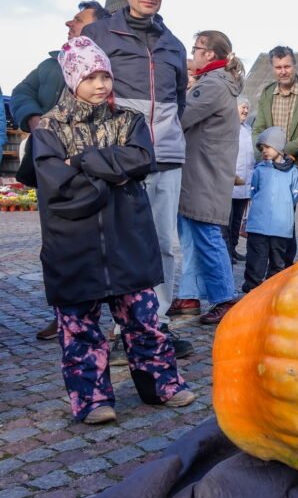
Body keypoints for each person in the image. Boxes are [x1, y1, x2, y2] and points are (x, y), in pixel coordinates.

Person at [32, 36, 196, 424]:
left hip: (127, 240)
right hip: (74, 246)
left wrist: (83, 161)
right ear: (73, 79)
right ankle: (92, 400)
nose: (100, 84)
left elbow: (141, 159)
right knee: (80, 329)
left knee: (145, 321)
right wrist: (113, 176)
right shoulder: (49, 129)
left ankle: (162, 385)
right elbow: (57, 184)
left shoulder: (128, 120)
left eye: (105, 75)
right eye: (90, 77)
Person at [82, 0, 189, 340]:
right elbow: (82, 88)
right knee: (121, 241)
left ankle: (156, 322)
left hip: (167, 157)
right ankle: (123, 321)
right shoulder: (99, 33)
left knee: (164, 243)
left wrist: (165, 131)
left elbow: (179, 100)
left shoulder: (173, 43)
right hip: (123, 155)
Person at [11, 0, 111, 342]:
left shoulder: (107, 65)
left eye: (78, 19)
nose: (69, 24)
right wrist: (34, 119)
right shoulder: (49, 64)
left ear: (96, 27)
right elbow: (21, 92)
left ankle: (112, 315)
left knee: (100, 243)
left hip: (95, 169)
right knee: (56, 244)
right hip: (50, 167)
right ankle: (65, 313)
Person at [171, 31, 243, 326]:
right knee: (191, 235)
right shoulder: (214, 81)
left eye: (196, 48)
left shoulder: (213, 84)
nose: (193, 54)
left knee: (207, 234)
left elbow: (180, 117)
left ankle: (225, 298)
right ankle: (189, 295)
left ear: (210, 53)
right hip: (200, 171)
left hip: (205, 174)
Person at [252, 46, 298, 262]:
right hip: (277, 167)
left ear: (294, 65)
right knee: (283, 218)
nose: (283, 71)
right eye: (278, 67)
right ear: (273, 68)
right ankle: (285, 265)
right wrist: (264, 152)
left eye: (287, 66)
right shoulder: (267, 93)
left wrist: (286, 150)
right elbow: (258, 129)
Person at [242, 127, 298, 293]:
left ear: (278, 147)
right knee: (255, 260)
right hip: (258, 226)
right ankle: (252, 288)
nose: (264, 151)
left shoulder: (293, 172)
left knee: (278, 262)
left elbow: (295, 196)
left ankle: (273, 291)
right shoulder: (259, 170)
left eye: (267, 147)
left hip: (280, 227)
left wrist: (282, 208)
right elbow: (254, 192)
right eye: (262, 148)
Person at [222, 96, 255, 264]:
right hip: (230, 182)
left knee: (237, 220)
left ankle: (233, 248)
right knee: (226, 221)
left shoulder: (248, 129)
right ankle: (226, 251)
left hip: (245, 183)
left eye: (247, 108)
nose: (245, 110)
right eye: (242, 107)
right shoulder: (227, 127)